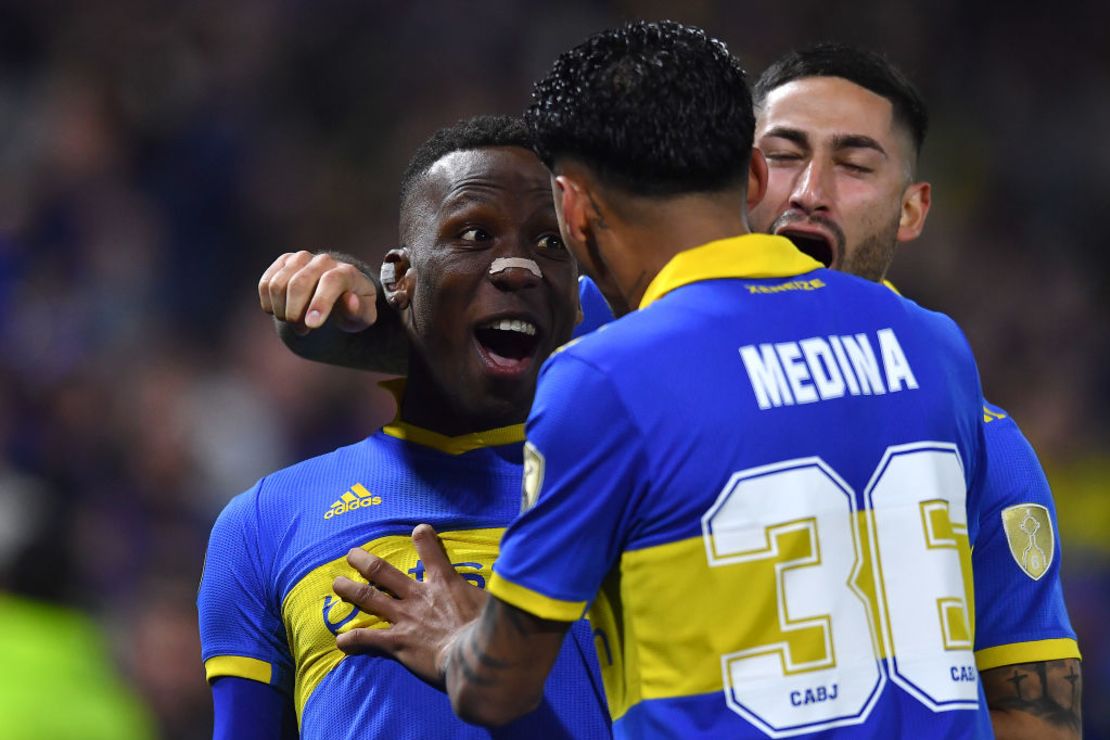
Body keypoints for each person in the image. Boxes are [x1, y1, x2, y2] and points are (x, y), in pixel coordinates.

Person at [260, 41, 1081, 740]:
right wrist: (352, 307)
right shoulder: (939, 355)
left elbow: (499, 686)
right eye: (791, 153)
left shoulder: (610, 373)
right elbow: (490, 336)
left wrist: (458, 643)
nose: (811, 191)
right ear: (753, 171)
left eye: (855, 162)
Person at [197, 115, 611, 739]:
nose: (518, 267)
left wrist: (478, 663)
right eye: (475, 234)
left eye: (550, 244)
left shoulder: (628, 492)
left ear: (576, 299)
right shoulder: (267, 520)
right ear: (398, 278)